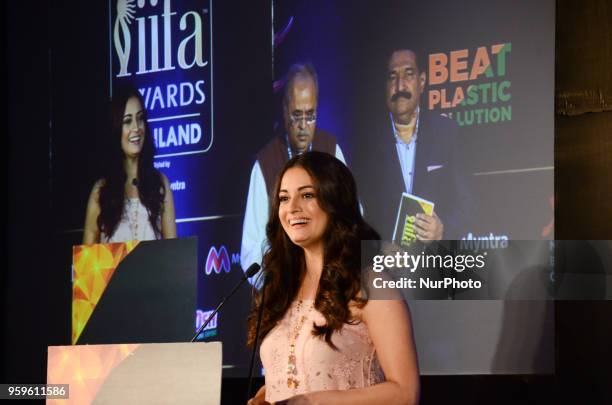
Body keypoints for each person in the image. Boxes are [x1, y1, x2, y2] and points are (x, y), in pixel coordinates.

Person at [247, 152, 419, 405]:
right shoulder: (282, 288)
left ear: (335, 201)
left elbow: (405, 394)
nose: (292, 208)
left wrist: (312, 402)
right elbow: (303, 373)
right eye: (284, 198)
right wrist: (267, 395)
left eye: (307, 195)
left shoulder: (371, 285)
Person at [240, 63, 347, 284]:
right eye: (296, 116)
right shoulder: (265, 163)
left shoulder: (332, 150)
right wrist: (280, 284)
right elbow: (251, 250)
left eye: (310, 116)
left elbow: (353, 218)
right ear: (284, 109)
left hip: (329, 284)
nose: (303, 126)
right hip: (284, 289)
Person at [356, 48, 471, 241]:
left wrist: (443, 230)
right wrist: (379, 249)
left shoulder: (446, 132)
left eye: (408, 75)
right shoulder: (366, 143)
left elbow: (468, 202)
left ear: (422, 81)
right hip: (387, 266)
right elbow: (357, 212)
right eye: (393, 77)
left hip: (437, 262)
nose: (400, 86)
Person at [82, 85, 176, 244]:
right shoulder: (101, 191)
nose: (136, 128)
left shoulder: (160, 184)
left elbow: (174, 254)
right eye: (127, 121)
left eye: (140, 119)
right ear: (116, 129)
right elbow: (86, 264)